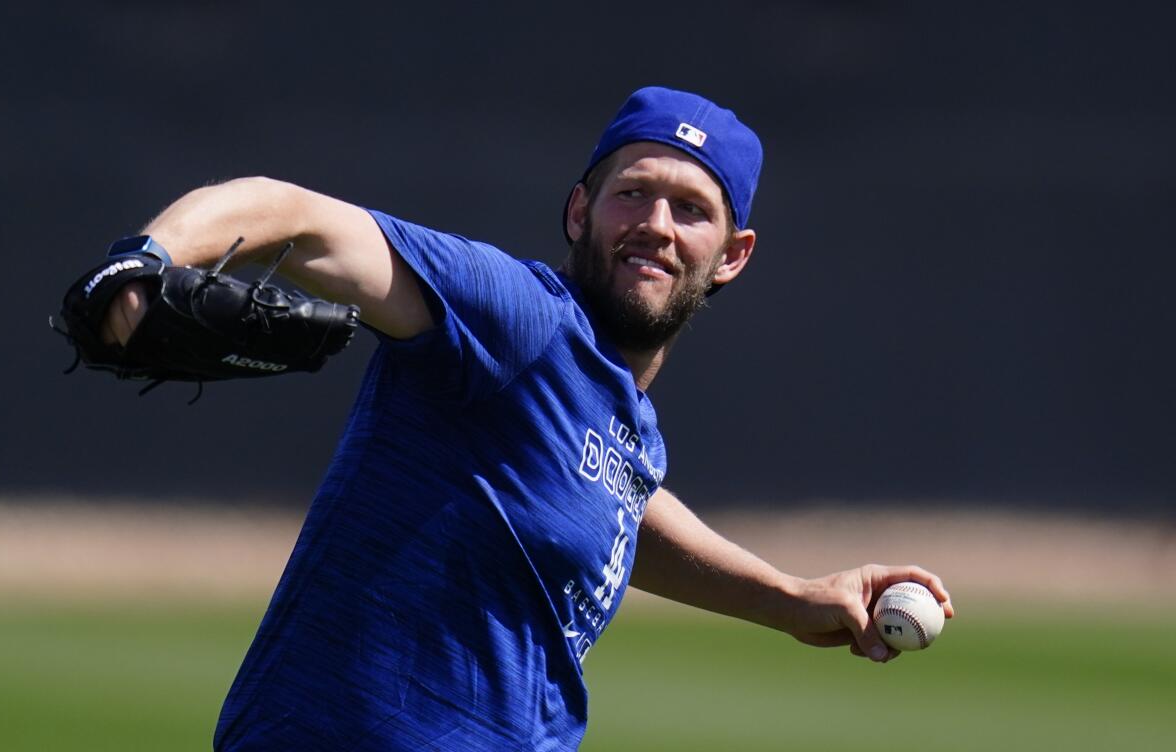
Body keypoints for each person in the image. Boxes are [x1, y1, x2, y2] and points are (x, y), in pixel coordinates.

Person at [100, 87, 954, 751]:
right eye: (633, 194)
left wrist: (791, 598)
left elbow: (615, 498)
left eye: (691, 208)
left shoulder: (621, 422)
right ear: (580, 211)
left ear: (732, 254)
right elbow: (291, 212)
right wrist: (147, 260)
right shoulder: (516, 319)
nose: (655, 225)